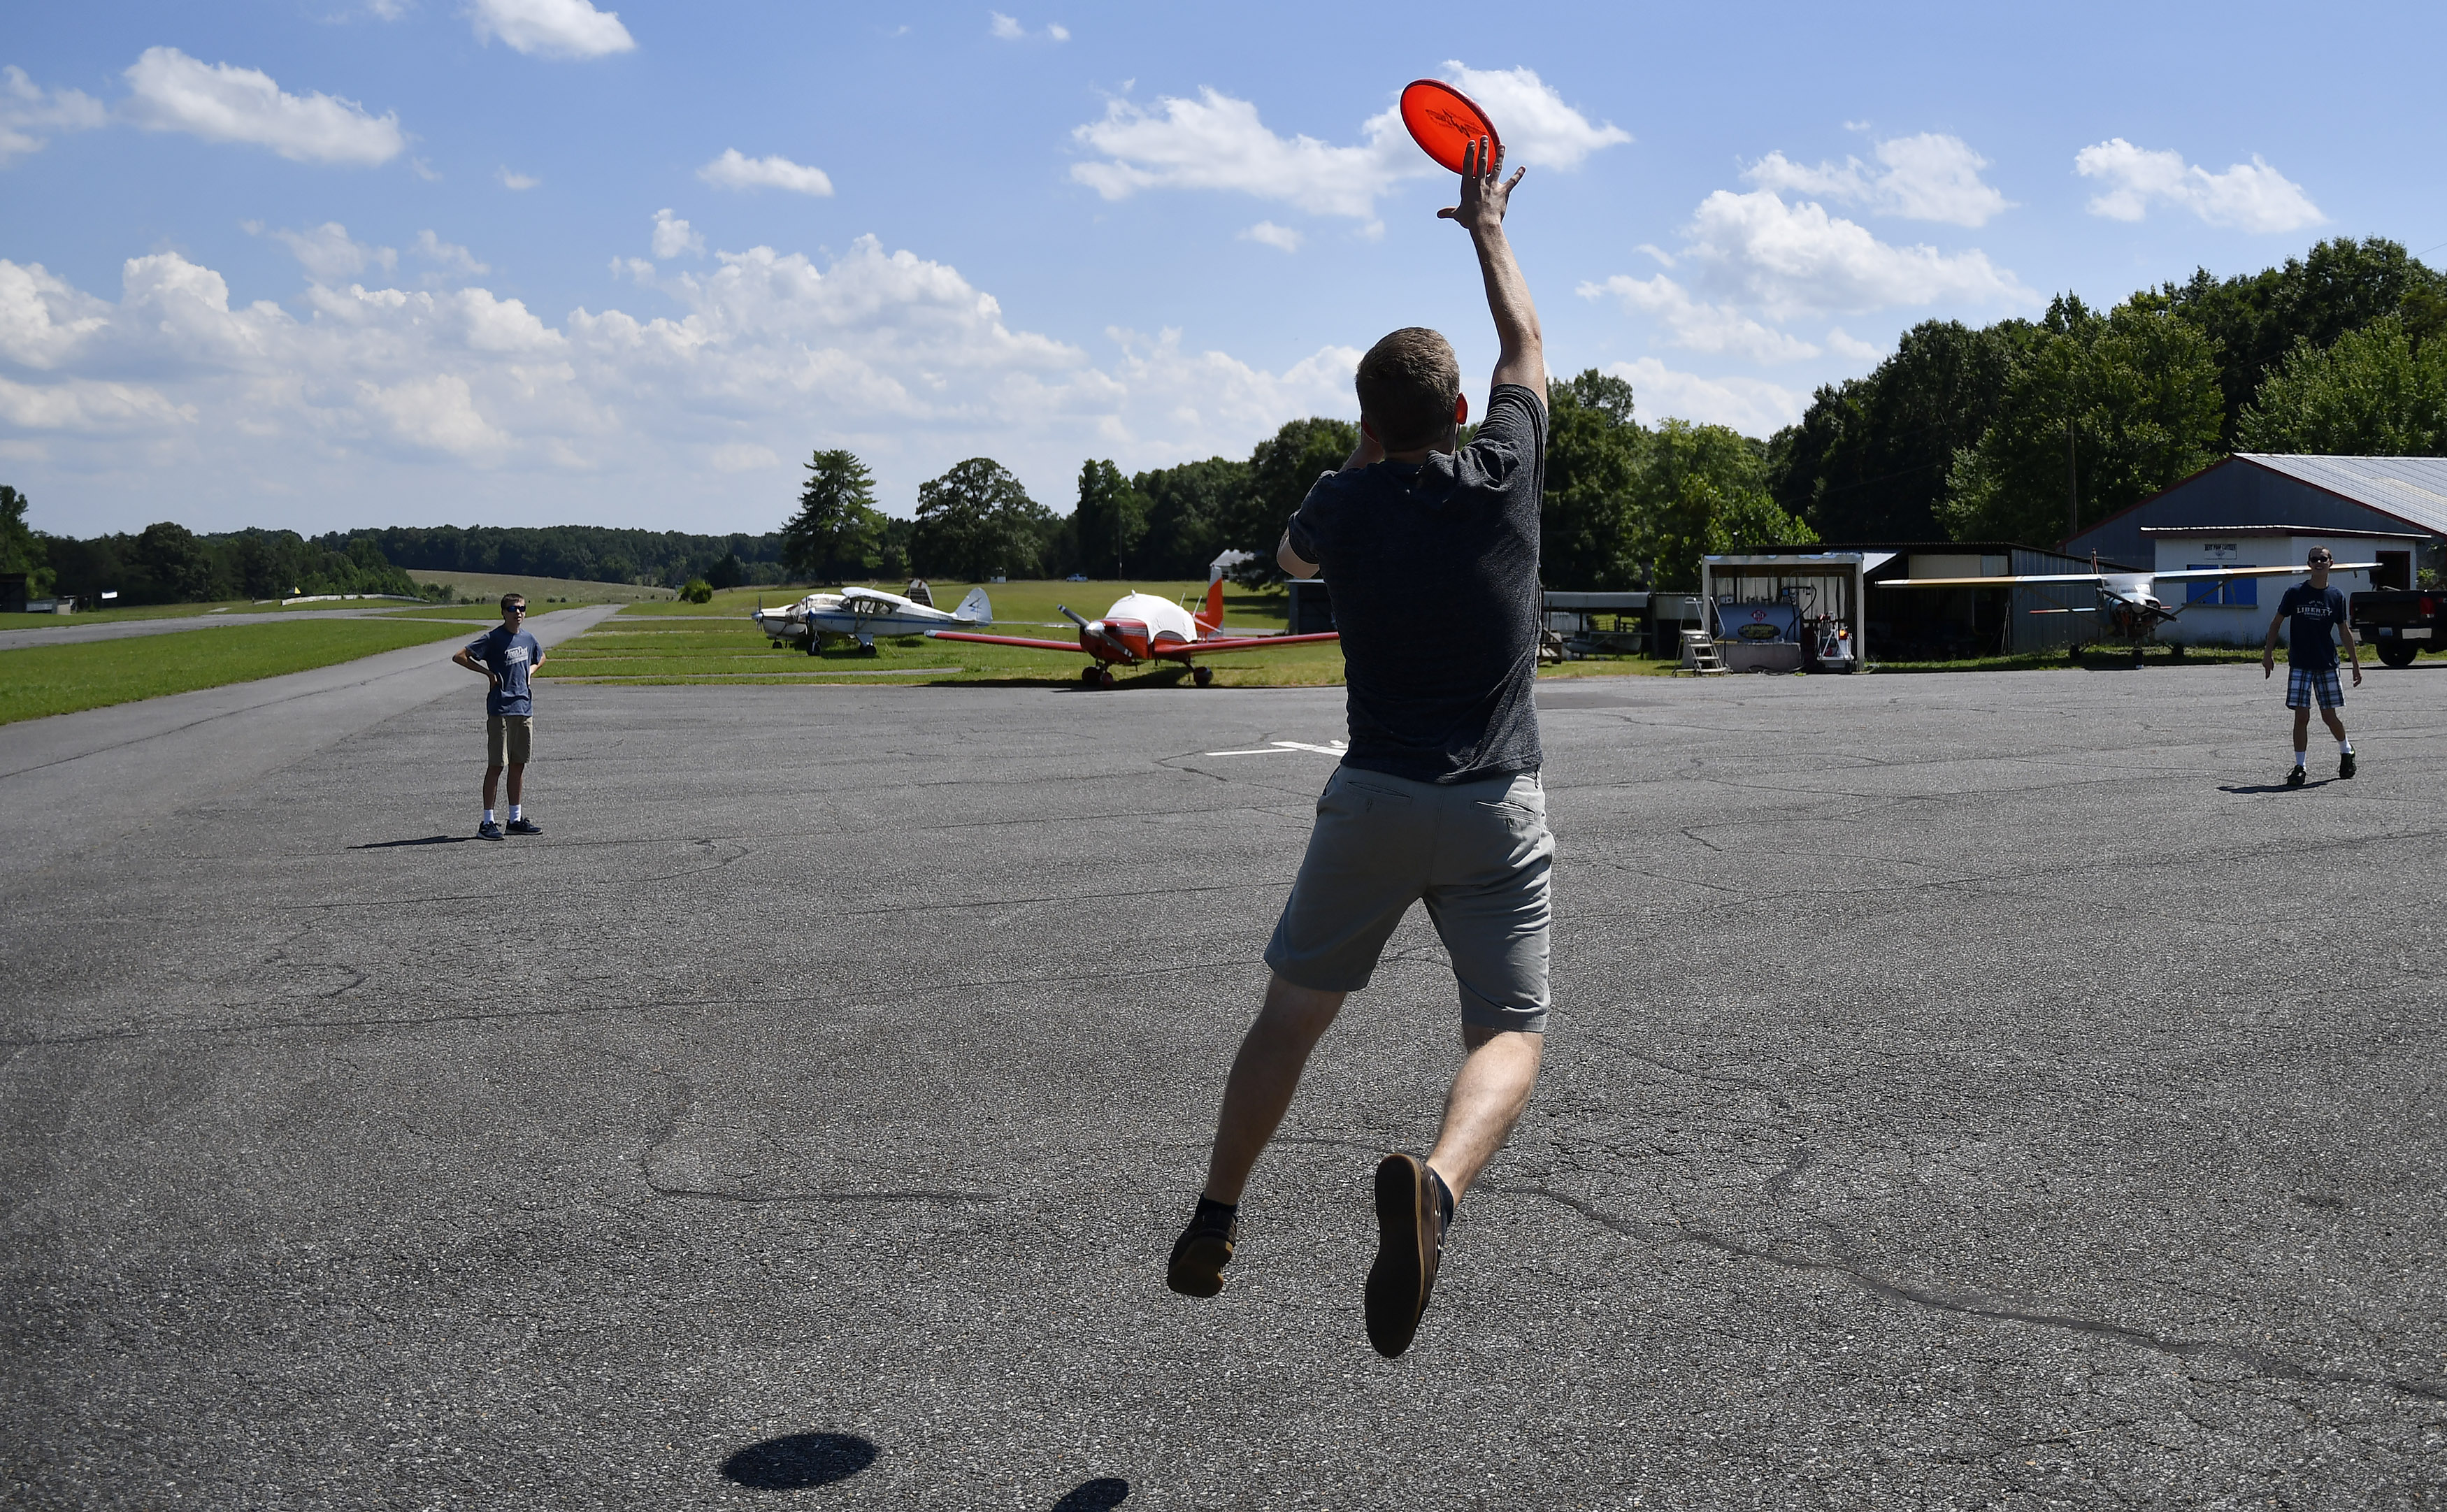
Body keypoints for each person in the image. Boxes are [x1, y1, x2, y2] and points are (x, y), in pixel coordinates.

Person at [1166, 137, 1551, 1360]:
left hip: (1374, 794)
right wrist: (1486, 227)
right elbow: (1524, 354)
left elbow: (1287, 560)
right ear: (1452, 415)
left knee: (1290, 1016)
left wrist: (1360, 456)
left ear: (1368, 420)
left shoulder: (1344, 503)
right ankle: (1437, 1183)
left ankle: (1218, 1217)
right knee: (1509, 1028)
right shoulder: (1501, 474)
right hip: (1494, 802)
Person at [2262, 547, 2360, 787]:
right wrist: (2268, 654)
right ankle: (2300, 767)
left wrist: (2356, 664)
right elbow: (2276, 623)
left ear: (2331, 563)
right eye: (2314, 559)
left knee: (2329, 716)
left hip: (2326, 663)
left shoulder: (2336, 596)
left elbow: (2344, 631)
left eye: (2323, 559)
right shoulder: (2295, 593)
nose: (2318, 563)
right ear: (2308, 564)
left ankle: (2346, 751)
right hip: (2300, 663)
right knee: (2301, 715)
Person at [453, 593, 546, 839]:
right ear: (503, 612)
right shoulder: (494, 638)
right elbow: (461, 656)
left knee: (518, 764)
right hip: (501, 710)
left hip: (524, 709)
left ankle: (515, 819)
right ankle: (487, 822)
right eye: (513, 609)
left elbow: (541, 656)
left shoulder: (528, 639)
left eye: (522, 608)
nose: (518, 613)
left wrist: (531, 671)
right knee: (497, 765)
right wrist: (488, 674)